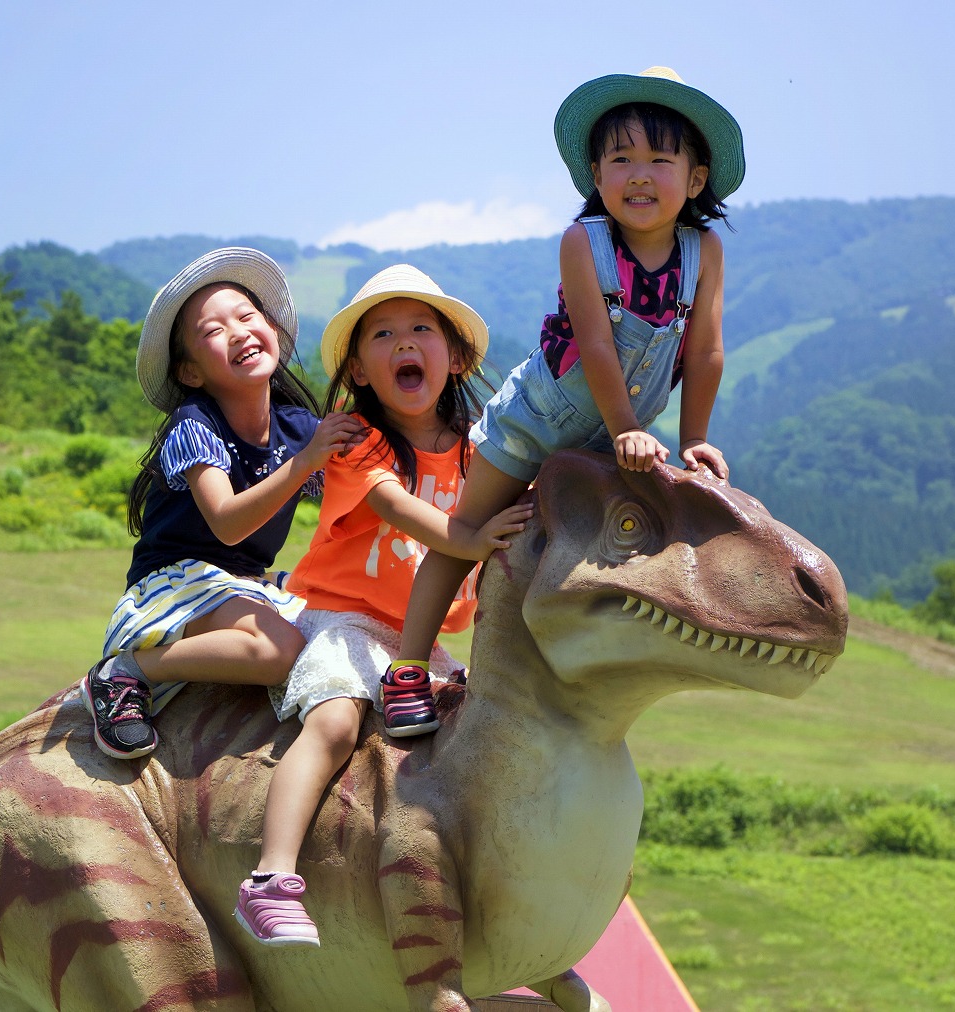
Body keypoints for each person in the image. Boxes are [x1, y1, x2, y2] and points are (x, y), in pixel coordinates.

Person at [384, 66, 744, 733]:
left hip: (620, 434)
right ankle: (406, 670)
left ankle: (559, 687)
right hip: (536, 422)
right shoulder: (585, 242)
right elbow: (599, 346)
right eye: (620, 158)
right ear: (595, 175)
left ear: (695, 179)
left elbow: (705, 350)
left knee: (602, 552)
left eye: (660, 159)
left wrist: (694, 436)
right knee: (464, 534)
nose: (639, 174)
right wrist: (630, 427)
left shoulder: (705, 251)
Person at [233, 265, 533, 947]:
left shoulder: (479, 448)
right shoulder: (358, 444)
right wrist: (473, 538)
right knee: (336, 722)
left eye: (421, 328)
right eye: (384, 334)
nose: (405, 342)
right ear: (361, 371)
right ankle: (270, 878)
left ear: (453, 358)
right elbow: (396, 508)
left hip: (417, 640)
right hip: (344, 617)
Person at [82, 247, 363, 760]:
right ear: (190, 372)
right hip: (177, 582)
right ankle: (128, 671)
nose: (236, 332)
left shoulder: (298, 426)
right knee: (279, 651)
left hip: (245, 584)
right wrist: (305, 463)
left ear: (271, 330)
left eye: (247, 316)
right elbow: (228, 523)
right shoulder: (196, 424)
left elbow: (363, 490)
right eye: (212, 331)